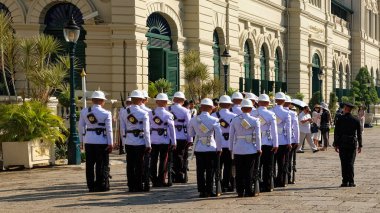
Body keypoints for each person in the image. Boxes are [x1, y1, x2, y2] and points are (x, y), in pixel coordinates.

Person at [79, 90, 113, 192]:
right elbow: (109, 129)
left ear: (92, 100)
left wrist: (81, 141)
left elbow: (80, 127)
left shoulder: (84, 112)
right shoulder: (106, 113)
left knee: (89, 165)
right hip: (101, 141)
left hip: (89, 140)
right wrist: (110, 143)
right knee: (101, 164)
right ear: (102, 101)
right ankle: (100, 184)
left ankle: (91, 186)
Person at [188, 98, 223, 198]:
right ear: (210, 108)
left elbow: (190, 133)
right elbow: (219, 136)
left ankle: (201, 191)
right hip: (211, 147)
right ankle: (209, 190)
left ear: (201, 107)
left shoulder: (194, 119)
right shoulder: (214, 120)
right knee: (210, 170)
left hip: (199, 147)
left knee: (200, 170)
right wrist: (219, 148)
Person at [120, 90, 151, 192]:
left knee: (130, 164)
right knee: (139, 165)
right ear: (141, 100)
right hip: (140, 142)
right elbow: (146, 131)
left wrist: (124, 142)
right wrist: (148, 144)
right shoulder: (144, 113)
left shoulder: (124, 112)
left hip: (129, 141)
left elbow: (122, 129)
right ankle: (138, 185)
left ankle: (131, 185)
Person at [229, 99, 262, 197]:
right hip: (250, 148)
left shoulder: (235, 119)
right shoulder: (255, 120)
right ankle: (248, 190)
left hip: (238, 148)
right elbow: (258, 136)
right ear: (251, 109)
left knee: (239, 171)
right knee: (249, 171)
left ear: (241, 108)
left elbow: (231, 136)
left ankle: (240, 191)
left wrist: (231, 148)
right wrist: (259, 148)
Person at [251, 94, 278, 193]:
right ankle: (266, 185)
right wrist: (276, 144)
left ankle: (255, 183)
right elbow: (274, 131)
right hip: (267, 142)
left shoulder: (252, 113)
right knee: (268, 166)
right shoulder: (271, 114)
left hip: (254, 143)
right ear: (267, 103)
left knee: (256, 165)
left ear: (258, 102)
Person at [149, 93, 176, 187]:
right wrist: (174, 141)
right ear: (166, 103)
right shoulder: (168, 114)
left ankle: (153, 180)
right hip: (164, 139)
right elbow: (172, 128)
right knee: (163, 160)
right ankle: (161, 180)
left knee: (153, 160)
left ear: (156, 102)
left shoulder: (150, 113)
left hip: (152, 139)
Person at [333, 102, 362, 187]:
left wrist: (336, 144)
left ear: (345, 109)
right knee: (350, 162)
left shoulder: (340, 119)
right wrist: (360, 145)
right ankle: (351, 181)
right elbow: (359, 133)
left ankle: (345, 181)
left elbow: (336, 132)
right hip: (352, 143)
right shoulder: (355, 119)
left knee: (344, 162)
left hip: (342, 143)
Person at [211, 95, 236, 192]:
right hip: (230, 145)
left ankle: (218, 184)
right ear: (230, 105)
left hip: (217, 145)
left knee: (217, 166)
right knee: (228, 167)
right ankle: (225, 184)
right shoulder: (234, 116)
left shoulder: (213, 116)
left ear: (219, 105)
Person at [169, 91, 193, 183]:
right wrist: (190, 139)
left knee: (171, 157)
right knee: (180, 156)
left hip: (169, 137)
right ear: (183, 101)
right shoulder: (186, 111)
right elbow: (188, 125)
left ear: (174, 99)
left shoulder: (168, 109)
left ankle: (172, 174)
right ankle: (179, 174)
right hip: (181, 136)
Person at [271, 92, 292, 187]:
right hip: (283, 140)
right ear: (284, 101)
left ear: (275, 100)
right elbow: (288, 129)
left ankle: (272, 179)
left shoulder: (270, 111)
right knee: (281, 162)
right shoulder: (286, 113)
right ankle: (281, 180)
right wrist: (289, 142)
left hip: (271, 139)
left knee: (272, 162)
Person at [284, 96, 299, 184]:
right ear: (289, 104)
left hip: (278, 139)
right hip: (291, 139)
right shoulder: (292, 113)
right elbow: (296, 128)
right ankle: (288, 177)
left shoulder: (273, 111)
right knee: (289, 159)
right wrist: (297, 140)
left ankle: (281, 176)